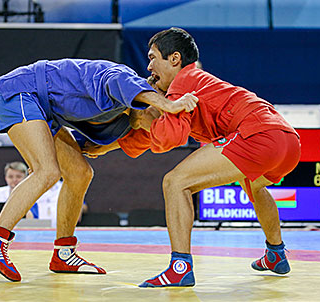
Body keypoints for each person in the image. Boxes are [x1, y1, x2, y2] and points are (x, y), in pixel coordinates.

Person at [90, 28, 301, 287]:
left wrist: (143, 120)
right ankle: (276, 253)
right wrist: (100, 148)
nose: (149, 67)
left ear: (175, 59)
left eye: (153, 57)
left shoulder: (184, 80)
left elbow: (171, 137)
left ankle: (180, 267)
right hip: (287, 140)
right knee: (254, 186)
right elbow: (151, 139)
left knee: (175, 182)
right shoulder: (189, 86)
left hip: (258, 134)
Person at [0, 58, 198, 282]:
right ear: (149, 105)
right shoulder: (123, 76)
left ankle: (64, 253)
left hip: (45, 110)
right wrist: (169, 105)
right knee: (47, 171)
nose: (155, 126)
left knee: (80, 173)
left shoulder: (127, 119)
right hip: (21, 91)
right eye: (157, 118)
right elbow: (123, 84)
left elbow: (98, 147)